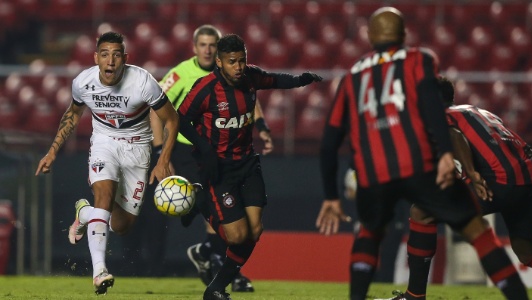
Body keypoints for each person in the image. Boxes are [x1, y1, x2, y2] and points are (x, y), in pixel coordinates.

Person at [315, 7, 529, 300]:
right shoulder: (419, 60)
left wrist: (330, 196)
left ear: (369, 36)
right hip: (418, 164)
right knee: (477, 231)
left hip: (376, 169)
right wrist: (443, 154)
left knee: (369, 232)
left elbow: (328, 143)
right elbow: (434, 111)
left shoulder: (352, 76)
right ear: (403, 35)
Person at [406, 76, 532, 300]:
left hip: (499, 182)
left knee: (421, 212)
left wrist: (472, 173)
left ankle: (414, 296)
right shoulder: (484, 115)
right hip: (530, 182)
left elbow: (453, 135)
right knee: (528, 253)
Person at [177, 34, 322, 300]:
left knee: (254, 232)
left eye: (242, 60)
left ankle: (216, 289)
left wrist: (301, 80)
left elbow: (275, 79)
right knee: (237, 237)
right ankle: (200, 203)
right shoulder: (205, 88)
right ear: (219, 63)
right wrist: (204, 147)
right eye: (232, 62)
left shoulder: (251, 78)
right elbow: (181, 119)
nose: (239, 67)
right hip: (219, 171)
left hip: (247, 164)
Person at [35, 31, 179, 294]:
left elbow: (172, 119)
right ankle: (99, 270)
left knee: (122, 226)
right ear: (96, 58)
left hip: (138, 149)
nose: (110, 61)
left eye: (116, 55)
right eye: (105, 55)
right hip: (104, 143)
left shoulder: (143, 81)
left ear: (125, 58)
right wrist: (53, 150)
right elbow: (73, 114)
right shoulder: (83, 82)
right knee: (104, 195)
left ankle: (84, 213)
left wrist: (163, 159)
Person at [152, 24, 271, 291]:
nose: (206, 49)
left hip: (223, 152)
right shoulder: (181, 74)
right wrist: (162, 152)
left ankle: (208, 253)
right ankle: (219, 263)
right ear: (195, 48)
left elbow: (250, 100)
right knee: (217, 208)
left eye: (211, 45)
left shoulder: (234, 74)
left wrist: (262, 128)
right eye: (202, 45)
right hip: (188, 150)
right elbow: (156, 109)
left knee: (226, 210)